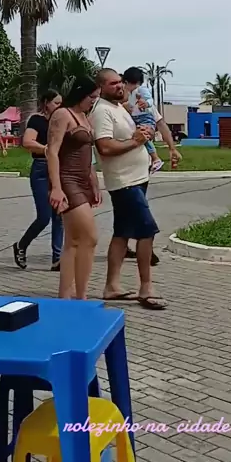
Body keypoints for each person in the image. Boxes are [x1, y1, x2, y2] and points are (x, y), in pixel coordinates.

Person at [92, 69, 181, 310]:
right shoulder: (101, 111)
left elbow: (141, 130)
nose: (119, 86)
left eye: (120, 82)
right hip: (124, 182)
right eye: (113, 84)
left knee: (122, 233)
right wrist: (136, 141)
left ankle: (112, 286)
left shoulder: (120, 108)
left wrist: (144, 134)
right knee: (146, 230)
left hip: (138, 178)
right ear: (101, 87)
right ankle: (146, 287)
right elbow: (105, 147)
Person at [47, 77, 101, 300]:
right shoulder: (63, 114)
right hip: (67, 180)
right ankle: (73, 295)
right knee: (90, 236)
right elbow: (52, 151)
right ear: (81, 94)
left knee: (75, 241)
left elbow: (89, 156)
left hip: (83, 180)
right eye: (91, 97)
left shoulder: (85, 117)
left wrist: (94, 183)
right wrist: (56, 188)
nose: (93, 101)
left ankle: (75, 294)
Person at [13, 89, 64, 272]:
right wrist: (46, 149)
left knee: (59, 215)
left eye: (61, 103)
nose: (59, 106)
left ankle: (57, 258)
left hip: (59, 169)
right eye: (56, 103)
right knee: (44, 217)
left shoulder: (62, 120)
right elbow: (28, 142)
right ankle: (21, 245)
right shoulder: (37, 120)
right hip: (42, 168)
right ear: (46, 103)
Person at [122, 67, 164, 172]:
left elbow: (150, 99)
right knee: (141, 136)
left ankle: (155, 158)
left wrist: (146, 103)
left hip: (145, 117)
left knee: (144, 136)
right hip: (138, 117)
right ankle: (152, 159)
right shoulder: (132, 93)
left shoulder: (141, 90)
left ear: (126, 82)